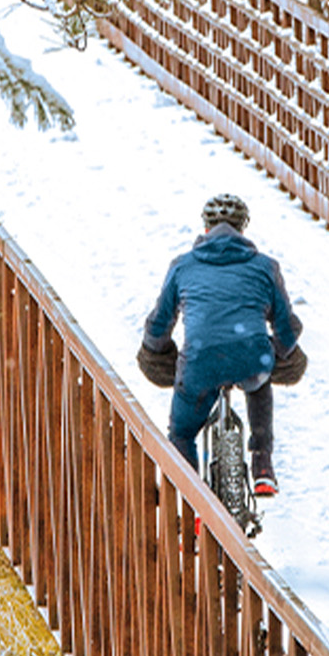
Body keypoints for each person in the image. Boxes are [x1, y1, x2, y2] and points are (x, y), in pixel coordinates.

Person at [137, 194, 307, 496]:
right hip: (250, 355)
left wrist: (157, 351)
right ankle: (262, 464)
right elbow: (286, 328)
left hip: (200, 360)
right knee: (259, 377)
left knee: (182, 432)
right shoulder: (265, 267)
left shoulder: (183, 266)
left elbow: (160, 324)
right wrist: (278, 354)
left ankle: (192, 500)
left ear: (205, 228)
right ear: (243, 229)